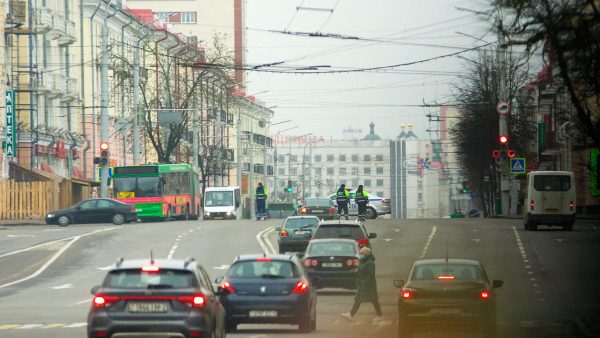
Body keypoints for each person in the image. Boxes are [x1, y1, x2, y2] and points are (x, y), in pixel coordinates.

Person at [341, 247, 382, 322]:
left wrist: (365, 282)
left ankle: (379, 315)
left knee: (373, 299)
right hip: (363, 284)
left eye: (361, 254)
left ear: (366, 254)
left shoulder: (370, 263)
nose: (360, 255)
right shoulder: (364, 261)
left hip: (368, 285)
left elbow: (371, 274)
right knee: (359, 299)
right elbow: (362, 270)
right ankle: (351, 314)